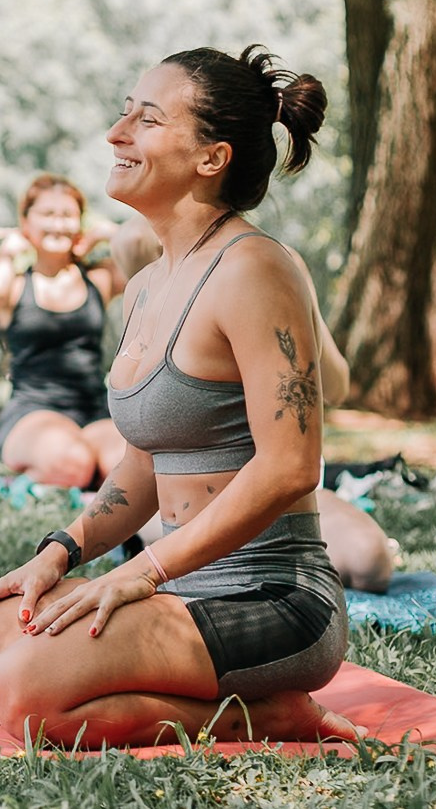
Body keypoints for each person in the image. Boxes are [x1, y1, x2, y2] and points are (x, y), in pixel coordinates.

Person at [0, 45, 359, 747]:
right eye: (126, 112)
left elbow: (290, 467)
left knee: (21, 694)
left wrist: (142, 572)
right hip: (177, 591)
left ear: (210, 158)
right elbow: (141, 466)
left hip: (272, 600)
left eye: (147, 120)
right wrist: (59, 553)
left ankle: (273, 715)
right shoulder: (148, 286)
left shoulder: (256, 269)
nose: (116, 133)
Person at [114, 216, 397, 593]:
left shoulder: (274, 263)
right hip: (186, 498)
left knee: (370, 563)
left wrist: (300, 304)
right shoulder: (149, 273)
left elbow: (336, 387)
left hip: (278, 499)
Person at [0, 175, 131, 488]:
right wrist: (9, 251)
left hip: (93, 411)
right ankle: (25, 478)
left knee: (131, 469)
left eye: (68, 216)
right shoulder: (15, 285)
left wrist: (109, 235)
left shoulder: (98, 279)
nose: (59, 225)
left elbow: (154, 257)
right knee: (72, 464)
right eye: (48, 215)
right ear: (25, 222)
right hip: (32, 413)